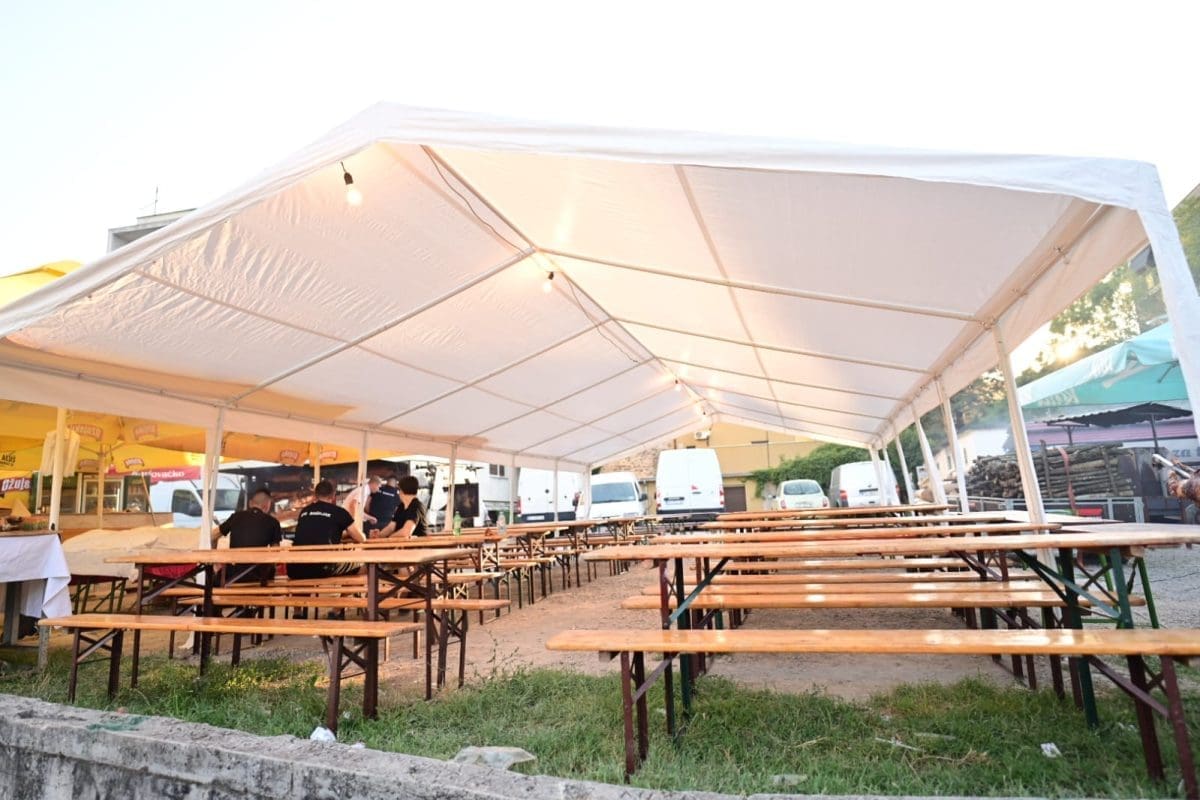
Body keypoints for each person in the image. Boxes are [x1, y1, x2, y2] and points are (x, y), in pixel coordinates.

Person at [289, 479, 365, 581]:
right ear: (333, 496)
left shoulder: (304, 511)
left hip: (295, 568)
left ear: (315, 495)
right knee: (361, 564)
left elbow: (316, 532)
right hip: (322, 568)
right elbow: (360, 538)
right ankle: (348, 592)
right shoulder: (339, 512)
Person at [211, 487, 282, 583]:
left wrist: (214, 561)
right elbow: (276, 553)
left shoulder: (236, 517)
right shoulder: (273, 522)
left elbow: (213, 536)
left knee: (215, 579)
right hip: (259, 578)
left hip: (232, 576)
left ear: (250, 503)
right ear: (266, 506)